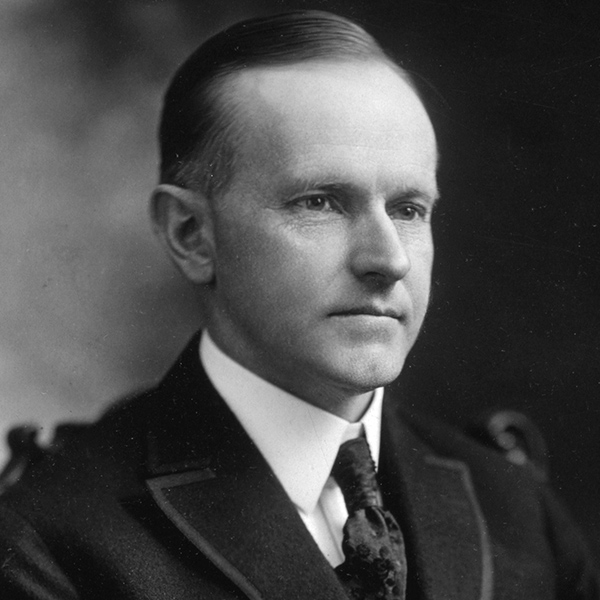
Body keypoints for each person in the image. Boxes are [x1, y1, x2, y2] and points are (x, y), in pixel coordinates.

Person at [0, 10, 597, 600]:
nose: (390, 260)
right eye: (320, 202)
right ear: (191, 235)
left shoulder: (515, 510)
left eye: (409, 209)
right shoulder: (48, 540)